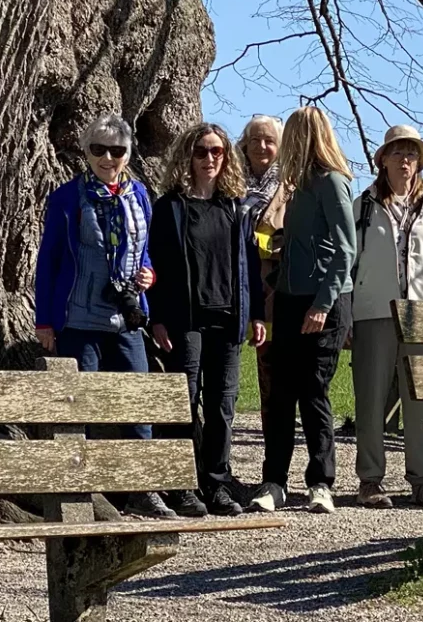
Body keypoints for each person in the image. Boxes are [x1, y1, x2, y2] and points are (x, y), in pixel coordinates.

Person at [34, 113, 176, 519]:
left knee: (136, 404)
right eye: (99, 149)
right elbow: (49, 261)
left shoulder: (139, 195)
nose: (108, 158)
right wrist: (45, 320)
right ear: (86, 152)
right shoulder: (67, 198)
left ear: (128, 153)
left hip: (126, 321)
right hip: (78, 321)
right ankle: (85, 492)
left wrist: (148, 273)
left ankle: (141, 490)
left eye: (117, 150)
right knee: (82, 408)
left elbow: (144, 251)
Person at [147, 123, 267, 517]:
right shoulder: (170, 207)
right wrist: (158, 318)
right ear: (188, 156)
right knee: (183, 402)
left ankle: (216, 483)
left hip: (227, 320)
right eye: (201, 151)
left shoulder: (235, 206)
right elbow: (156, 266)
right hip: (184, 321)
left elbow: (250, 265)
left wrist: (257, 314)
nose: (210, 159)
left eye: (217, 151)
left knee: (222, 406)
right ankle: (180, 485)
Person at [247, 107, 356, 514]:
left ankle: (320, 483)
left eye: (290, 137)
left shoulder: (333, 182)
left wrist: (322, 304)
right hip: (291, 300)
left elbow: (346, 250)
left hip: (324, 302)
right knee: (280, 394)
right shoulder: (296, 186)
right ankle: (274, 481)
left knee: (313, 390)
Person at [351, 125, 423, 509]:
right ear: (382, 160)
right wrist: (348, 310)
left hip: (421, 312)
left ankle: (422, 481)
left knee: (421, 402)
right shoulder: (364, 204)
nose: (404, 160)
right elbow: (351, 262)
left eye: (411, 154)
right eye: (396, 153)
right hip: (373, 311)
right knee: (371, 400)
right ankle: (370, 481)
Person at [236, 115, 288, 442]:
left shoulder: (290, 184)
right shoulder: (230, 180)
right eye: (255, 139)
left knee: (272, 372)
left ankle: (275, 449)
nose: (261, 146)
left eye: (269, 140)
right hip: (232, 284)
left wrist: (261, 243)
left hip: (271, 288)